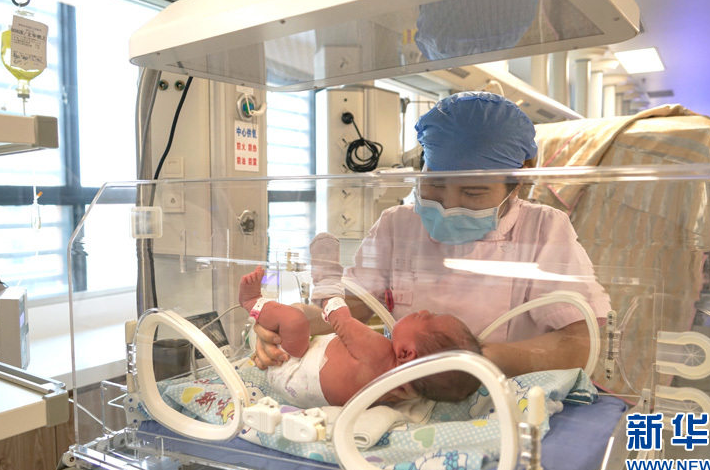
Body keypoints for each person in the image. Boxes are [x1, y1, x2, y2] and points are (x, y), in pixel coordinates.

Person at [252, 92, 612, 378]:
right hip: (408, 385)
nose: (448, 206)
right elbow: (349, 307)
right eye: (435, 185)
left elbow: (580, 343)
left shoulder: (543, 230)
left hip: (505, 392)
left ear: (522, 177)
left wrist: (469, 360)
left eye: (472, 193)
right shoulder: (398, 225)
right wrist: (287, 323)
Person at [239, 266, 481, 408]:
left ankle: (252, 301)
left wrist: (329, 286)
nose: (424, 311)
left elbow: (340, 320)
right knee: (298, 321)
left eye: (425, 318)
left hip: (290, 365)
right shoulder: (404, 391)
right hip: (298, 391)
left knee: (295, 320)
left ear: (407, 353)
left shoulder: (379, 352)